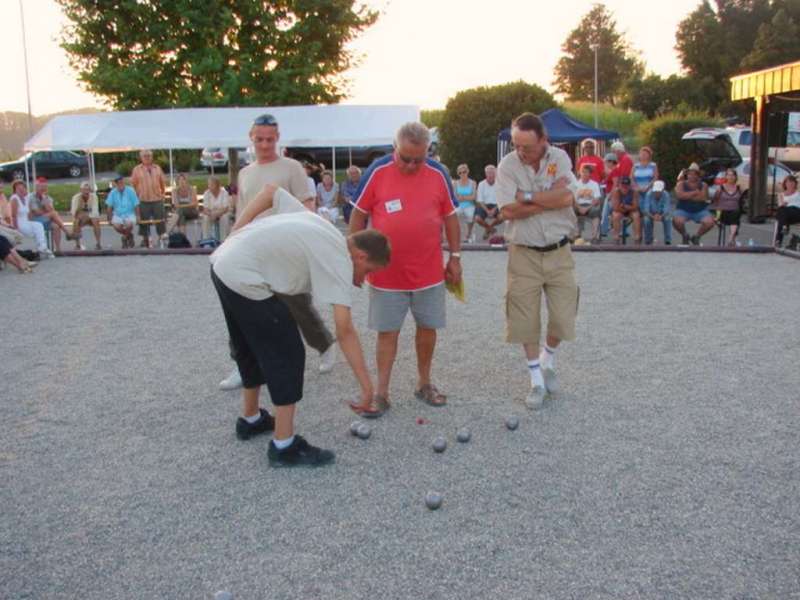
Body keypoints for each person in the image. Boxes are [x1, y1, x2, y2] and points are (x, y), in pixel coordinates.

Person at [210, 183, 390, 467]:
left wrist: (236, 231)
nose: (364, 279)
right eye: (368, 272)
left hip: (223, 264)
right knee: (288, 353)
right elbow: (344, 330)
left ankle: (251, 419)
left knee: (252, 346)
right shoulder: (341, 260)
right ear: (361, 256)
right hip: (244, 275)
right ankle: (284, 446)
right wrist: (367, 388)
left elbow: (270, 191)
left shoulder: (323, 226)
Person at [349, 122, 461, 415]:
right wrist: (356, 261)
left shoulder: (438, 174)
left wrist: (456, 257)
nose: (411, 165)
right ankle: (381, 392)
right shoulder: (377, 171)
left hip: (429, 272)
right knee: (387, 333)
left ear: (428, 152)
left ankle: (424, 383)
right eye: (405, 158)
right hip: (386, 275)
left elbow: (450, 218)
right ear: (393, 147)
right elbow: (358, 216)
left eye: (418, 159)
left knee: (428, 329)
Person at [219, 113, 333, 391]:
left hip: (285, 247)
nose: (265, 144)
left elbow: (307, 206)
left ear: (278, 138)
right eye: (260, 139)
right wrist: (232, 239)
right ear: (251, 138)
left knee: (297, 304)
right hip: (251, 250)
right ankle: (243, 363)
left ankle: (324, 344)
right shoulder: (245, 173)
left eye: (270, 139)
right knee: (242, 307)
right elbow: (243, 210)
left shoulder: (292, 167)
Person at [495, 112, 579, 409]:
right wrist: (547, 198)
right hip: (523, 253)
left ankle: (548, 359)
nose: (520, 152)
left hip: (559, 250)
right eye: (516, 145)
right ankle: (536, 381)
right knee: (524, 319)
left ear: (544, 140)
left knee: (563, 315)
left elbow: (568, 198)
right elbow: (507, 211)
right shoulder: (507, 166)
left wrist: (527, 196)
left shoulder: (560, 158)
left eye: (526, 146)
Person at [27, 177, 75, 253]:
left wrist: (45, 202)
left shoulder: (48, 198)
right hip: (34, 220)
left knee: (56, 226)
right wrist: (47, 210)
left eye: (45, 187)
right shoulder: (31, 197)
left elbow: (51, 210)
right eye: (41, 187)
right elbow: (36, 212)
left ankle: (58, 249)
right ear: (36, 187)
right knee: (53, 214)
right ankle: (67, 232)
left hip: (45, 219)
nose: (43, 189)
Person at [131, 150, 166, 248]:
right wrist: (136, 197)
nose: (147, 157)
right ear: (141, 158)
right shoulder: (136, 169)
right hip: (143, 199)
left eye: (149, 155)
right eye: (145, 156)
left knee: (160, 220)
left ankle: (161, 238)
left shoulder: (157, 168)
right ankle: (145, 239)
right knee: (143, 221)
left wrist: (162, 194)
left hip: (157, 199)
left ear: (152, 156)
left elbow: (162, 183)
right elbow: (133, 185)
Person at [673, 162, 714, 245]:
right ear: (687, 175)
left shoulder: (704, 185)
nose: (692, 176)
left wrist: (686, 195)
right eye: (690, 174)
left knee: (710, 222)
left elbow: (702, 198)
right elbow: (680, 196)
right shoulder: (681, 184)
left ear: (698, 175)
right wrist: (695, 193)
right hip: (683, 209)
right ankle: (685, 235)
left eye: (694, 174)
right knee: (676, 221)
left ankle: (697, 236)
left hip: (700, 210)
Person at [9, 180, 50, 258]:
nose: (21, 190)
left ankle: (42, 247)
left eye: (23, 188)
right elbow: (13, 215)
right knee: (35, 230)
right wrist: (15, 229)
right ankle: (41, 247)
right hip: (18, 223)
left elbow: (29, 212)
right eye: (18, 188)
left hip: (26, 221)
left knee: (38, 225)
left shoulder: (26, 198)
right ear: (15, 190)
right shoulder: (14, 198)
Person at [710, 168, 743, 246]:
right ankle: (732, 239)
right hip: (722, 213)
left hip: (734, 212)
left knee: (736, 214)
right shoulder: (720, 188)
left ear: (735, 177)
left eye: (732, 175)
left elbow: (741, 201)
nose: (730, 177)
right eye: (728, 175)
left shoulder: (739, 188)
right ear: (726, 177)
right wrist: (715, 215)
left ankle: (731, 238)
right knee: (736, 218)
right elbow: (714, 201)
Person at [105, 175, 140, 248]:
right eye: (118, 183)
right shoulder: (112, 192)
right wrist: (109, 218)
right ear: (115, 184)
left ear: (124, 182)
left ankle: (124, 238)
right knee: (116, 226)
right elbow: (109, 207)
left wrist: (138, 216)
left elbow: (136, 204)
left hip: (129, 214)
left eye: (121, 182)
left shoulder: (130, 190)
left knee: (129, 224)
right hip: (118, 214)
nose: (120, 184)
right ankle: (129, 235)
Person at [573, 163, 602, 242]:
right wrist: (579, 207)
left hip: (590, 205)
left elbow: (597, 199)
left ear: (590, 174)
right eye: (583, 171)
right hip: (578, 205)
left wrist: (586, 208)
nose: (584, 174)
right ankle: (576, 234)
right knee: (571, 210)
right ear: (580, 173)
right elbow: (573, 199)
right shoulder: (575, 184)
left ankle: (595, 236)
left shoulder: (594, 184)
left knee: (596, 211)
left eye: (587, 172)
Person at [70, 182, 102, 250]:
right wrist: (79, 209)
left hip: (91, 216)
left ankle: (98, 243)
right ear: (81, 190)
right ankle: (78, 244)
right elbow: (73, 212)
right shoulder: (75, 198)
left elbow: (95, 211)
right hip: (80, 217)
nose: (86, 192)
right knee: (76, 221)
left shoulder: (94, 197)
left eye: (88, 190)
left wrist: (86, 215)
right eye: (84, 190)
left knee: (95, 220)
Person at [610, 176, 642, 244]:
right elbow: (615, 207)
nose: (625, 187)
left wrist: (624, 206)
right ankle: (616, 237)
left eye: (626, 185)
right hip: (620, 210)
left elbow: (636, 207)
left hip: (630, 210)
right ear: (620, 185)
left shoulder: (634, 192)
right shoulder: (616, 192)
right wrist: (626, 208)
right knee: (615, 215)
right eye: (623, 185)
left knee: (636, 215)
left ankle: (637, 237)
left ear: (629, 186)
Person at [641, 180, 673, 245]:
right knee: (647, 220)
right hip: (651, 213)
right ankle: (648, 240)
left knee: (668, 219)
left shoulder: (666, 195)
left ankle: (668, 240)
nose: (657, 193)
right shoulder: (648, 194)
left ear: (662, 190)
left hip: (662, 213)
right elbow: (646, 209)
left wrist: (661, 216)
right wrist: (652, 216)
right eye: (655, 191)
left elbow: (667, 209)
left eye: (659, 191)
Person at [475, 164, 502, 239]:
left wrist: (494, 209)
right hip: (484, 205)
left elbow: (502, 199)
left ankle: (488, 229)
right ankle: (490, 229)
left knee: (502, 217)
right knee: (477, 218)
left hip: (496, 205)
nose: (490, 175)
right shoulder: (481, 184)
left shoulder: (500, 184)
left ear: (495, 174)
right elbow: (480, 200)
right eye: (488, 173)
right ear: (485, 174)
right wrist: (487, 210)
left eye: (492, 173)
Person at [201, 176, 232, 241]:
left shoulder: (224, 193)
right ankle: (206, 240)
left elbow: (225, 208)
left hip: (222, 213)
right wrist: (211, 214)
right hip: (211, 213)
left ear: (217, 185)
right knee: (205, 218)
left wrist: (216, 214)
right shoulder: (206, 193)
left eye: (211, 184)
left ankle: (223, 240)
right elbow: (205, 209)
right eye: (209, 184)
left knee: (224, 218)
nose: (209, 186)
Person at [453, 164, 477, 243]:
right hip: (458, 205)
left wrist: (462, 197)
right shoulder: (455, 183)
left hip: (469, 205)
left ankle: (469, 233)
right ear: (458, 173)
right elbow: (455, 197)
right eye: (460, 173)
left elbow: (473, 196)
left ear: (468, 171)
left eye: (464, 172)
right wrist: (466, 197)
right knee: (453, 215)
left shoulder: (473, 183)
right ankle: (456, 235)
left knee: (470, 215)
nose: (462, 174)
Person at [774, 174, 800, 247]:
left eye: (792, 183)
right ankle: (784, 228)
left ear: (795, 184)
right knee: (782, 211)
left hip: (797, 212)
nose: (790, 184)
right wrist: (783, 204)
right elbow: (780, 205)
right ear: (785, 184)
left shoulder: (798, 194)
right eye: (788, 183)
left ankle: (778, 240)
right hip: (786, 215)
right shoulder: (781, 195)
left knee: (781, 215)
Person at [599, 153, 621, 238]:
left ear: (612, 162)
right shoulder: (613, 171)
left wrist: (611, 196)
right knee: (607, 213)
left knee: (605, 213)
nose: (606, 164)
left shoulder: (615, 171)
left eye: (607, 162)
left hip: (611, 195)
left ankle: (603, 230)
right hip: (610, 194)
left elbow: (615, 184)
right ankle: (605, 229)